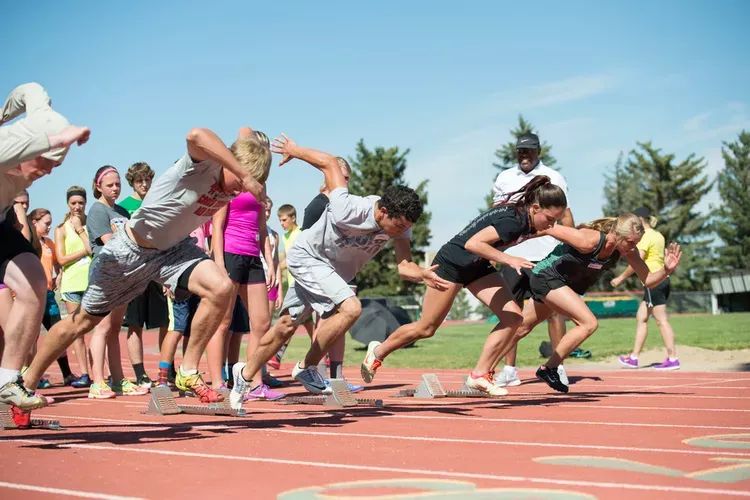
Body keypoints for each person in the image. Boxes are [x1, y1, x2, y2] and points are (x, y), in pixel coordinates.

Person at [21, 126, 272, 407]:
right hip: (130, 252)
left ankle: (188, 371)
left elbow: (245, 134)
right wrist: (244, 173)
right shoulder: (202, 166)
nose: (240, 190)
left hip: (173, 250)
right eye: (241, 181)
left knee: (221, 287)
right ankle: (26, 384)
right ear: (232, 164)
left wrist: (251, 168)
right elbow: (195, 134)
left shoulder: (233, 184)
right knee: (81, 322)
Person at [229, 134, 441, 407]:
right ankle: (307, 366)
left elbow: (404, 266)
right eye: (398, 226)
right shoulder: (348, 207)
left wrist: (421, 273)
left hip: (331, 272)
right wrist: (294, 149)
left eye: (406, 228)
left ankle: (244, 375)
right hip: (308, 258)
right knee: (351, 308)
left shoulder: (401, 227)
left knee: (285, 326)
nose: (400, 232)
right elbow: (330, 163)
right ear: (383, 211)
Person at [361, 176, 567, 395]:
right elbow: (473, 243)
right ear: (535, 208)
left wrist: (587, 240)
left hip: (477, 266)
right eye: (550, 219)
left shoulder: (528, 219)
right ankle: (378, 351)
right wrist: (509, 259)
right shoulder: (514, 221)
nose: (551, 225)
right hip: (451, 265)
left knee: (513, 318)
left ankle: (479, 375)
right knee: (426, 328)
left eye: (556, 220)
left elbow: (553, 231)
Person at [494, 214, 682, 393]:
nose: (634, 247)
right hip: (547, 277)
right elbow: (546, 228)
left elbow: (648, 280)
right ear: (616, 234)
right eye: (631, 242)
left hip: (560, 284)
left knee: (521, 328)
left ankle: (483, 371)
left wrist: (666, 270)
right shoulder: (589, 239)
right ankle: (550, 368)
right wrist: (499, 248)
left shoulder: (628, 250)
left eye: (637, 242)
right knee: (588, 323)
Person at [0, 82, 90, 409]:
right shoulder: (5, 147)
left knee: (35, 282)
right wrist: (56, 140)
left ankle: (7, 380)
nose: (49, 171)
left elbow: (30, 91)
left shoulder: (41, 119)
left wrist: (3, 114)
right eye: (46, 162)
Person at [492, 132, 574, 387]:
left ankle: (557, 366)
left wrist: (570, 248)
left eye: (529, 150)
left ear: (538, 151)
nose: (524, 155)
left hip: (546, 256)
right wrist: (495, 250)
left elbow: (566, 215)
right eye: (520, 150)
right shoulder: (504, 178)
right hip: (513, 256)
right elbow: (496, 215)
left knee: (554, 312)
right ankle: (509, 370)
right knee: (510, 312)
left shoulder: (554, 177)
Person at [206, 182, 280, 400]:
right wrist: (219, 264)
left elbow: (262, 228)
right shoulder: (231, 183)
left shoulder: (261, 185)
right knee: (222, 322)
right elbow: (217, 226)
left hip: (253, 258)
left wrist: (270, 263)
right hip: (230, 255)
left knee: (262, 322)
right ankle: (218, 384)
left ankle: (254, 384)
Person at [85, 166, 148, 399]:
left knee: (114, 329)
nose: (115, 188)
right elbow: (110, 242)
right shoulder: (97, 210)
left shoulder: (121, 210)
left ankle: (118, 380)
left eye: (117, 184)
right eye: (110, 185)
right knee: (102, 327)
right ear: (98, 186)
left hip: (124, 274)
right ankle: (97, 382)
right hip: (105, 274)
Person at [301, 157, 362, 392]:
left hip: (345, 273)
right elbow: (305, 245)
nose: (344, 182)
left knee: (341, 325)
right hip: (323, 274)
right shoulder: (316, 206)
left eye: (347, 178)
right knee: (325, 323)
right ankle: (314, 374)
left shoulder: (347, 206)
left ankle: (337, 378)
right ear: (328, 175)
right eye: (340, 176)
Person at [120, 162, 169, 388]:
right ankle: (140, 373)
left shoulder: (157, 202)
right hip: (134, 272)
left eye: (147, 179)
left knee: (165, 322)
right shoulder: (123, 207)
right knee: (135, 324)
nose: (144, 184)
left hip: (157, 271)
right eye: (139, 180)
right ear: (132, 182)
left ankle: (167, 369)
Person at [613, 207, 680, 370]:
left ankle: (672, 358)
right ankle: (634, 357)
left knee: (661, 320)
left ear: (640, 220)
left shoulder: (645, 236)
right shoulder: (658, 235)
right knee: (642, 317)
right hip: (662, 280)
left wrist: (620, 278)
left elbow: (637, 260)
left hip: (654, 281)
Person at [27, 208, 78, 387]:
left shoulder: (49, 243)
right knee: (31, 337)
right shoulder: (27, 242)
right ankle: (32, 377)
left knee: (59, 334)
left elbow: (58, 262)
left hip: (48, 295)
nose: (49, 227)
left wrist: (58, 276)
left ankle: (67, 374)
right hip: (32, 295)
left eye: (50, 224)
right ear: (34, 222)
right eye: (46, 223)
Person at [54, 186, 94, 387]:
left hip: (93, 283)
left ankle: (102, 374)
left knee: (99, 330)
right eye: (73, 203)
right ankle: (85, 374)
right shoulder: (61, 229)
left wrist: (81, 231)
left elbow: (94, 249)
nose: (77, 207)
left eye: (81, 203)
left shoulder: (92, 223)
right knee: (78, 332)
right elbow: (61, 259)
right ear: (68, 204)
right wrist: (84, 252)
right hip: (72, 285)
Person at [267, 203, 315, 369]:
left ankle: (277, 355)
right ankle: (324, 353)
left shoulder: (300, 233)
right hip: (294, 284)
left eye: (284, 220)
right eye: (280, 220)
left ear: (293, 218)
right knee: (306, 322)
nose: (282, 223)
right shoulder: (285, 236)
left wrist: (276, 268)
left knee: (289, 318)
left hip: (303, 284)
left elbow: (298, 258)